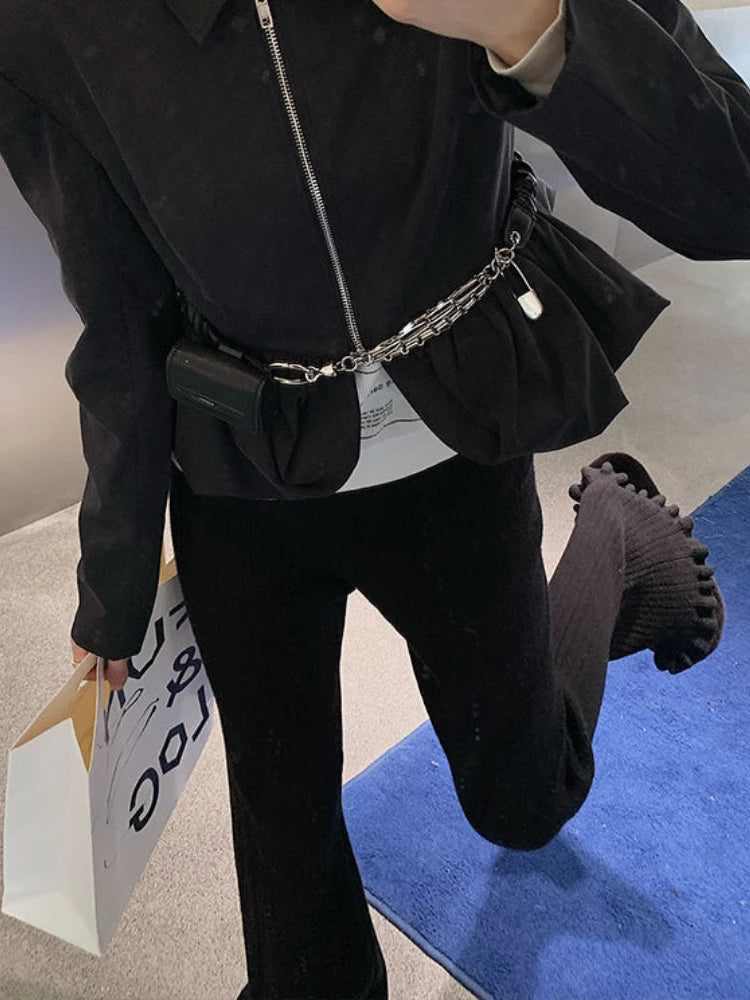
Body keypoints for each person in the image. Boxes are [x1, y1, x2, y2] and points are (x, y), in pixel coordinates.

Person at [2, 0, 746, 996]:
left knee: (527, 800)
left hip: (455, 446)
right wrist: (115, 577)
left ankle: (618, 535)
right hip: (239, 475)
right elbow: (116, 310)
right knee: (289, 882)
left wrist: (528, 20)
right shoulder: (45, 19)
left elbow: (728, 187)